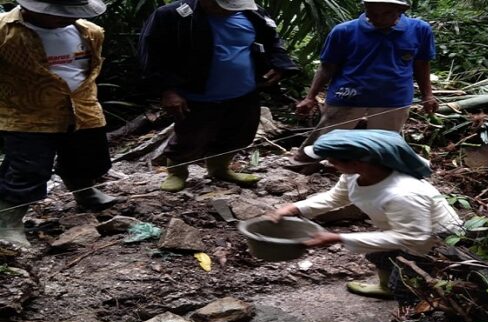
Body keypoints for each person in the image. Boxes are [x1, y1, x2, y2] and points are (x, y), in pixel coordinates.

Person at [270, 129, 462, 299]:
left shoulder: (403, 194)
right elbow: (335, 198)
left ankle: (415, 314)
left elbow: (413, 238)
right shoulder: (354, 175)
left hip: (433, 240)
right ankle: (384, 287)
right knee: (378, 255)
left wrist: (338, 237)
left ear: (357, 163)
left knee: (407, 284)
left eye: (333, 160)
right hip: (404, 229)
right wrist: (295, 208)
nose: (329, 163)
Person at [139, 0, 299, 192]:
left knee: (238, 134)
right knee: (189, 138)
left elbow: (272, 41)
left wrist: (279, 65)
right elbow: (152, 54)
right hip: (197, 94)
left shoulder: (252, 13)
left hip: (244, 91)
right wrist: (168, 90)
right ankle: (177, 172)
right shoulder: (172, 15)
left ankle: (219, 168)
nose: (228, 10)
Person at [0, 0, 117, 247]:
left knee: (88, 158)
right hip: (28, 114)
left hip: (82, 109)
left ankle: (84, 191)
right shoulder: (5, 31)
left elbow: (88, 69)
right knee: (27, 170)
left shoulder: (90, 31)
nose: (66, 17)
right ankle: (8, 221)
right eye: (58, 12)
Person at [291, 0, 438, 164]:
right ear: (366, 9)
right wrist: (310, 97)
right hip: (348, 93)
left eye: (386, 14)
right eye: (373, 14)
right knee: (326, 135)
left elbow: (422, 64)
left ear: (400, 11)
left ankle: (367, 175)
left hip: (394, 97)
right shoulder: (344, 31)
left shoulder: (419, 30)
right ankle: (303, 163)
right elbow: (327, 67)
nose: (378, 19)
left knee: (383, 143)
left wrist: (428, 95)